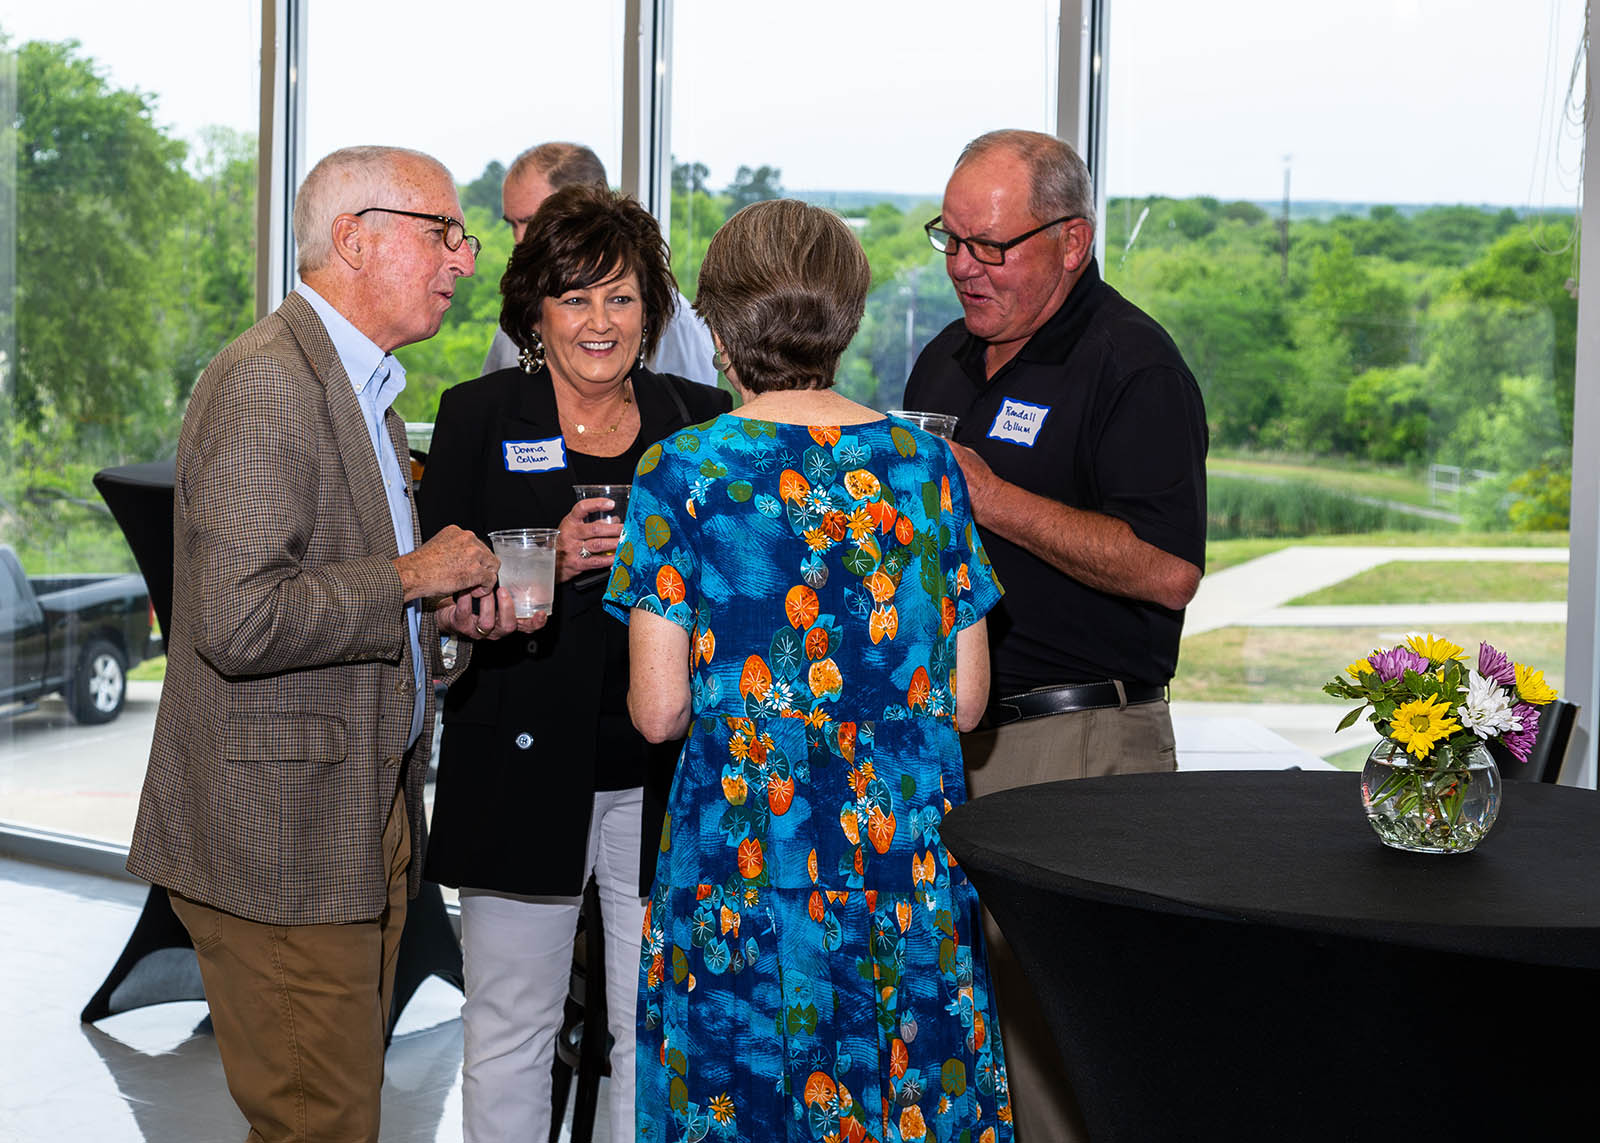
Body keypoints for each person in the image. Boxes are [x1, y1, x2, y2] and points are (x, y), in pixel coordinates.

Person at [125, 145, 537, 1143]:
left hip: (360, 813)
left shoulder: (369, 392)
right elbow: (237, 620)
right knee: (322, 1123)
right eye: (442, 232)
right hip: (281, 834)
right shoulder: (269, 383)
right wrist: (413, 577)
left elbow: (359, 609)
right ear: (356, 237)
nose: (463, 260)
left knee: (340, 1111)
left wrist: (446, 626)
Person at [607, 199, 1012, 1143]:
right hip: (901, 866)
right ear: (852, 315)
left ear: (714, 324)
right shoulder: (924, 466)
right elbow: (966, 696)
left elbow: (660, 711)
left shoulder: (685, 471)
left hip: (744, 875)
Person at [904, 129, 1209, 1142]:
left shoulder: (1132, 365)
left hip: (1080, 749)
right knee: (975, 1039)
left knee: (1078, 1050)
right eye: (952, 241)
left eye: (992, 247)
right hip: (960, 742)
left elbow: (1167, 572)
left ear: (1071, 241)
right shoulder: (943, 358)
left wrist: (999, 501)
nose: (963, 268)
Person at [418, 184, 730, 1143]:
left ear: (651, 313)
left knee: (658, 1025)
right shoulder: (475, 414)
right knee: (511, 1024)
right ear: (535, 315)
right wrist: (537, 563)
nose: (600, 321)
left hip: (665, 766)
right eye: (575, 297)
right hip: (517, 758)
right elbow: (441, 603)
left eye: (622, 297)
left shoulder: (702, 419)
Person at [480, 141, 719, 386]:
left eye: (535, 220)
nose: (520, 240)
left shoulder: (669, 317)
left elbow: (691, 417)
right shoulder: (524, 310)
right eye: (512, 224)